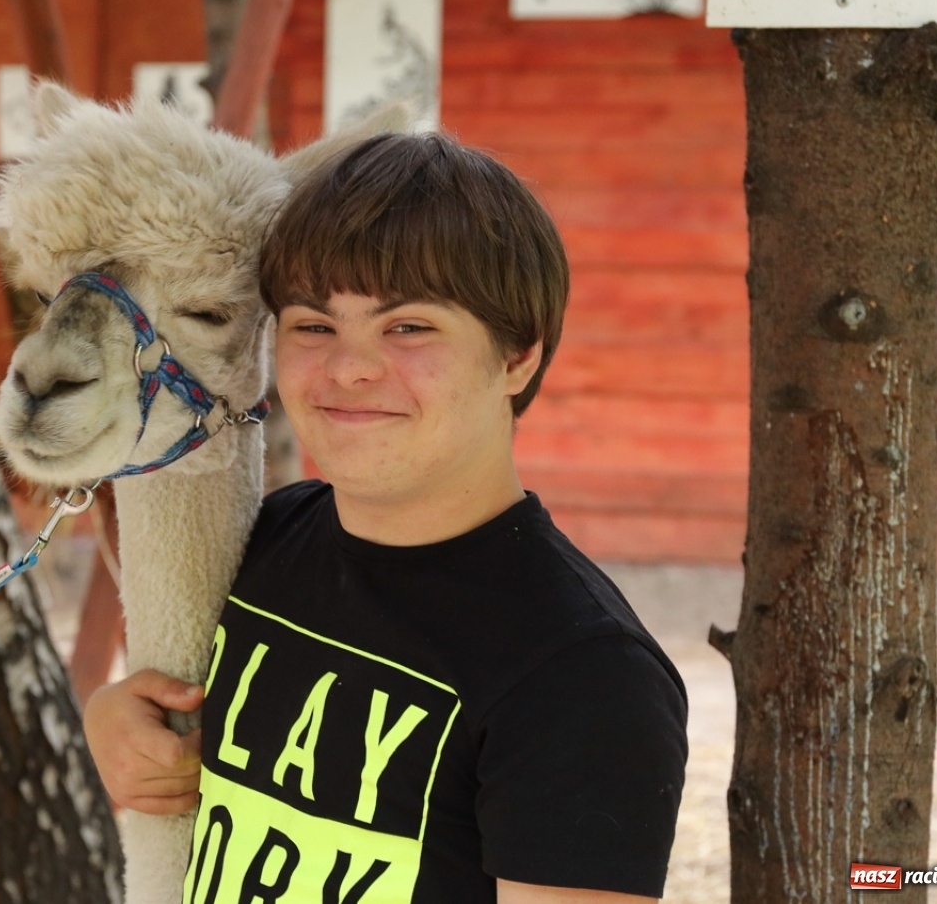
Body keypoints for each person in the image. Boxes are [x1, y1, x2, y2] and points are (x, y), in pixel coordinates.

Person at [84, 131, 688, 904]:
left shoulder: (583, 674)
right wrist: (116, 722)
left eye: (408, 327)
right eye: (313, 324)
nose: (348, 367)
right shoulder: (267, 540)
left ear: (516, 358)